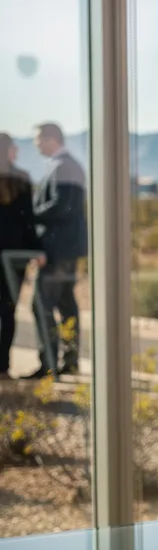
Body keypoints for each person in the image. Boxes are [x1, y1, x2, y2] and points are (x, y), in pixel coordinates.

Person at [28, 123, 86, 379]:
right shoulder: (64, 165)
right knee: (65, 305)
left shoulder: (64, 167)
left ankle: (49, 362)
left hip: (58, 251)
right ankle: (68, 361)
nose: (36, 144)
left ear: (50, 139)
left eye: (38, 140)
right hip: (65, 250)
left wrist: (30, 216)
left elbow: (62, 207)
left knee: (42, 304)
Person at [0, 133, 42, 376]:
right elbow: (29, 221)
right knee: (8, 309)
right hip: (15, 256)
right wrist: (36, 249)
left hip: (13, 256)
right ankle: (3, 364)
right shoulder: (22, 179)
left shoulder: (21, 179)